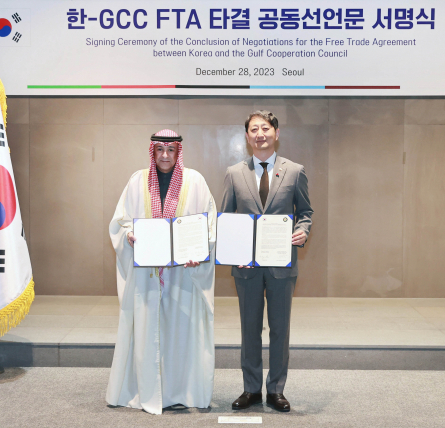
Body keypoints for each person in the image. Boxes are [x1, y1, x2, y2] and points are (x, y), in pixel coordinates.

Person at [106, 129, 216, 415]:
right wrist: (129, 234)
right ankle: (145, 390)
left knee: (181, 334)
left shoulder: (195, 181)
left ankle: (181, 390)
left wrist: (199, 253)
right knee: (146, 332)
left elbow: (209, 225)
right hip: (147, 274)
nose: (165, 155)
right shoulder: (137, 181)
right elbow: (120, 221)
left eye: (171, 150)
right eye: (159, 150)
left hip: (183, 275)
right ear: (152, 151)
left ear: (178, 152)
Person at [220, 111, 313, 412]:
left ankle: (276, 390)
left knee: (279, 330)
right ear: (247, 137)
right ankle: (251, 390)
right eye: (254, 129)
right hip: (246, 267)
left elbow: (305, 212)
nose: (260, 134)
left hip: (281, 265)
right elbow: (227, 218)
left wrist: (302, 230)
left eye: (265, 128)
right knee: (249, 329)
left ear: (276, 133)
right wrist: (234, 252)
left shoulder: (295, 171)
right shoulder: (234, 173)